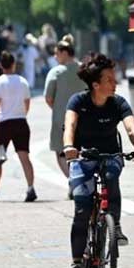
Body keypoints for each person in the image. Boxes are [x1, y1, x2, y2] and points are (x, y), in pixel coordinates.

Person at [63, 52, 134, 268]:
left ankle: (116, 226)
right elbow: (69, 125)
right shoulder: (78, 102)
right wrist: (69, 146)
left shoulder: (118, 103)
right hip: (82, 156)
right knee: (82, 208)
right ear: (95, 84)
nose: (115, 83)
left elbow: (130, 127)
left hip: (111, 154)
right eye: (110, 79)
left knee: (111, 176)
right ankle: (77, 264)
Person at [0, 51, 36, 203]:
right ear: (13, 64)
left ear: (0, 65)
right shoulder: (23, 82)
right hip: (20, 122)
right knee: (24, 156)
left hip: (3, 123)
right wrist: (21, 114)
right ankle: (30, 188)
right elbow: (27, 103)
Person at [44, 35, 85, 188]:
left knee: (61, 152)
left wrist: (58, 108)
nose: (55, 57)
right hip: (83, 118)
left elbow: (48, 97)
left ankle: (73, 181)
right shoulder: (84, 70)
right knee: (81, 152)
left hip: (61, 119)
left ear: (65, 52)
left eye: (57, 53)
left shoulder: (56, 72)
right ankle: (81, 179)